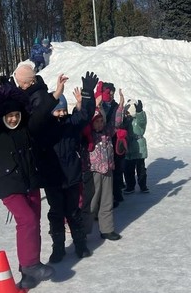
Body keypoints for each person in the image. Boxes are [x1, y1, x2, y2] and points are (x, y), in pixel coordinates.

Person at [0, 75, 69, 289]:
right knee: (27, 219)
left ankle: (28, 271)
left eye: (17, 115)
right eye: (10, 116)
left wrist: (55, 94)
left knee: (33, 222)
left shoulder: (27, 128)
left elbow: (41, 115)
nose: (14, 119)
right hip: (9, 185)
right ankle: (30, 264)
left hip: (31, 182)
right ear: (2, 116)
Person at [46, 80, 97, 263]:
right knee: (56, 213)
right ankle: (58, 247)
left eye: (63, 110)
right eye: (57, 110)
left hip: (72, 176)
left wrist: (87, 94)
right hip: (53, 179)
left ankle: (80, 244)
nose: (61, 114)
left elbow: (85, 115)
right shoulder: (45, 128)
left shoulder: (70, 123)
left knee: (74, 212)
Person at [82, 90, 125, 240]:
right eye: (96, 121)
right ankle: (83, 232)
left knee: (107, 201)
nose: (99, 124)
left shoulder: (107, 132)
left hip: (107, 171)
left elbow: (116, 122)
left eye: (101, 121)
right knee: (92, 203)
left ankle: (106, 229)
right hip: (93, 172)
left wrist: (120, 106)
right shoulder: (89, 135)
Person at [123, 99, 149, 193]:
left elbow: (142, 121)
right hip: (128, 147)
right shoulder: (125, 120)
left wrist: (139, 112)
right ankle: (130, 186)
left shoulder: (139, 120)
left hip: (139, 147)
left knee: (141, 168)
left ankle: (143, 185)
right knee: (128, 169)